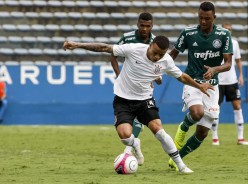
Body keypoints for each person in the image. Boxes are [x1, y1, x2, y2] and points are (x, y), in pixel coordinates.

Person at [63, 35, 214, 173]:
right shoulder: (134, 49)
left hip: (144, 100)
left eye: (160, 55)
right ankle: (135, 143)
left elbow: (181, 76)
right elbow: (104, 47)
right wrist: (77, 45)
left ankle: (181, 165)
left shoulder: (166, 60)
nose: (156, 57)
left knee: (159, 131)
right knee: (124, 135)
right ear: (150, 45)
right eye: (155, 52)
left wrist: (199, 86)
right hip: (123, 100)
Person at [168, 1, 233, 171]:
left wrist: (214, 69)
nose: (203, 22)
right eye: (200, 18)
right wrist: (156, 70)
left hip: (212, 86)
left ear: (214, 18)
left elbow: (228, 63)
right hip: (192, 82)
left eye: (207, 19)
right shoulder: (188, 33)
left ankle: (177, 159)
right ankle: (183, 128)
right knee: (197, 113)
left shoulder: (224, 34)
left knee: (202, 133)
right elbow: (172, 55)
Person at [110, 12, 160, 155]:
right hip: (128, 85)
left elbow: (159, 63)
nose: (144, 29)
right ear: (137, 25)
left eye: (148, 26)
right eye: (142, 26)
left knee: (138, 119)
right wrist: (119, 75)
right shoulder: (128, 38)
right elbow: (113, 56)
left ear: (152, 26)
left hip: (145, 86)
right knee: (128, 122)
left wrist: (157, 76)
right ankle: (132, 145)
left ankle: (128, 151)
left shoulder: (155, 41)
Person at [211, 23, 248, 146]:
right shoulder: (215, 42)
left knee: (237, 106)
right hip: (218, 81)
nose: (228, 32)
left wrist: (240, 75)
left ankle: (240, 138)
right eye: (226, 30)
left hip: (232, 81)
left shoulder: (235, 43)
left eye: (230, 30)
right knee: (215, 109)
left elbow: (238, 60)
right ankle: (215, 138)